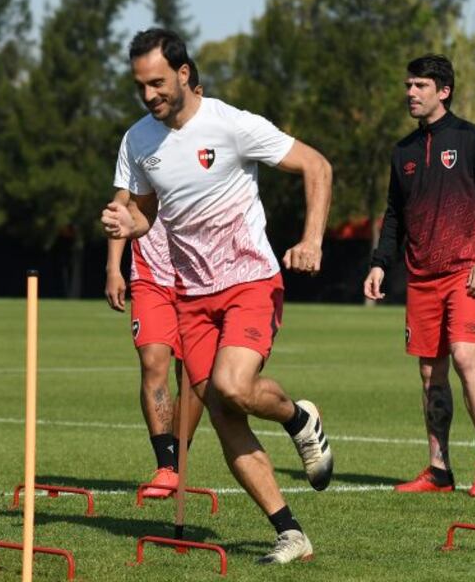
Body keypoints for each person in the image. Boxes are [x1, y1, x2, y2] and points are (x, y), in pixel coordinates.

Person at [101, 28, 334, 565]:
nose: (149, 95)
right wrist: (125, 221)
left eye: (157, 83)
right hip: (191, 296)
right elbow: (147, 215)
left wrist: (312, 237)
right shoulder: (139, 140)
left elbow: (317, 166)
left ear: (184, 74)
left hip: (249, 281)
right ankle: (290, 533)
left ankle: (299, 419)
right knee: (227, 415)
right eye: (141, 86)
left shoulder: (232, 125)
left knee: (232, 386)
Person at [363, 54, 475, 497]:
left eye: (420, 85)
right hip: (421, 277)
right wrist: (379, 262)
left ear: (442, 91)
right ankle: (439, 470)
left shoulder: (473, 140)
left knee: (465, 357)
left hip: (465, 270)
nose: (410, 92)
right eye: (408, 85)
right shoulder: (403, 151)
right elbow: (394, 217)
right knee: (431, 374)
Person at [105, 59, 204, 499]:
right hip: (150, 272)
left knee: (199, 379)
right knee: (153, 363)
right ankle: (166, 466)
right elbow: (122, 203)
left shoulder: (211, 137)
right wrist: (114, 265)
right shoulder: (138, 138)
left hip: (202, 274)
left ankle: (179, 454)